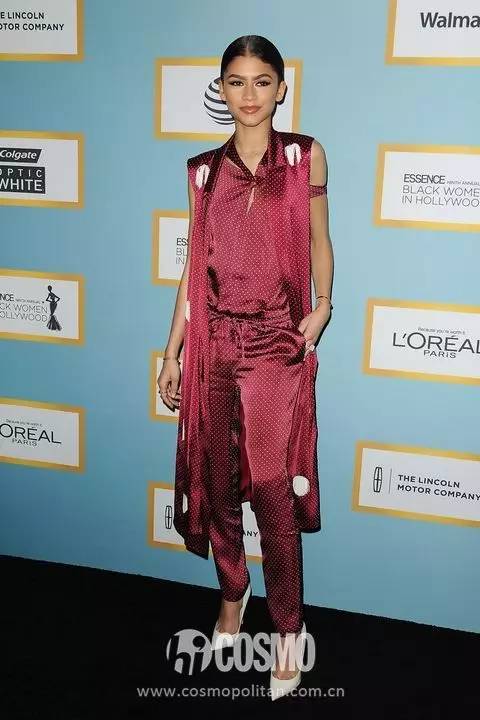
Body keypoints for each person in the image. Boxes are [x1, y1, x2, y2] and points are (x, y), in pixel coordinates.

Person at [158, 35, 333, 699]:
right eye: (237, 82)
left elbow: (320, 240)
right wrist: (172, 350)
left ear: (281, 89)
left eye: (262, 81)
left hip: (275, 346)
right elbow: (192, 270)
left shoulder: (303, 155)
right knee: (218, 481)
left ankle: (287, 628)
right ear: (222, 90)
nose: (250, 94)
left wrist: (322, 306)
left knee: (272, 489)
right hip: (213, 344)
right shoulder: (203, 172)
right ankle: (233, 593)